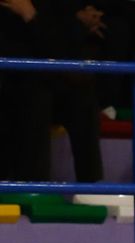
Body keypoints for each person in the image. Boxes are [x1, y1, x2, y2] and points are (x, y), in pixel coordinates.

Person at [0, 0, 104, 183]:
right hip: (13, 83)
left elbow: (62, 45)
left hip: (46, 78)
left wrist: (31, 16)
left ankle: (94, 188)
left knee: (83, 99)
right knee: (35, 96)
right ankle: (34, 188)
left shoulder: (48, 7)